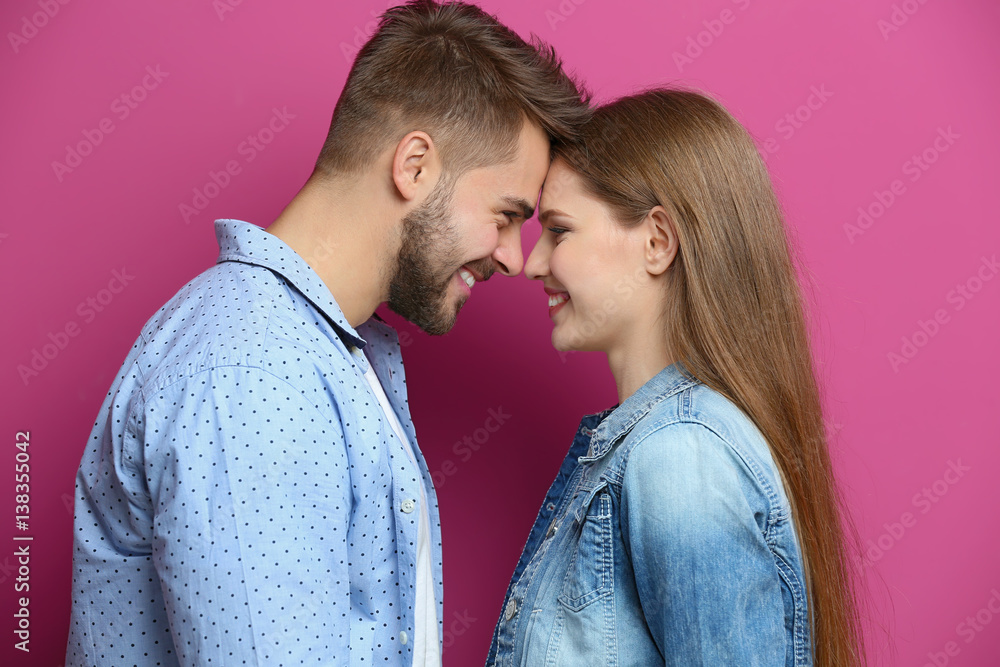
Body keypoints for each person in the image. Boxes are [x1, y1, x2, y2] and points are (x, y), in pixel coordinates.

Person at [65, 2, 590, 665]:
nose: (515, 257)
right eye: (506, 214)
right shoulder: (256, 373)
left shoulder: (335, 354)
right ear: (416, 166)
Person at [486, 89, 865, 666]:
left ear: (658, 242)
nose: (534, 262)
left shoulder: (679, 455)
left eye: (559, 231)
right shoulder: (661, 444)